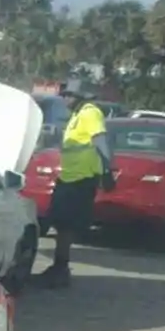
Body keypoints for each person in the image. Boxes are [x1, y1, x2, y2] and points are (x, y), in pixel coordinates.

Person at [27, 77, 115, 289]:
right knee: (59, 224)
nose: (65, 99)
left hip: (81, 179)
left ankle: (60, 270)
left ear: (81, 97)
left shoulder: (90, 113)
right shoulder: (77, 114)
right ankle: (59, 268)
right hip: (70, 177)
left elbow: (100, 142)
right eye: (64, 95)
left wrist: (107, 171)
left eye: (70, 95)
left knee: (65, 226)